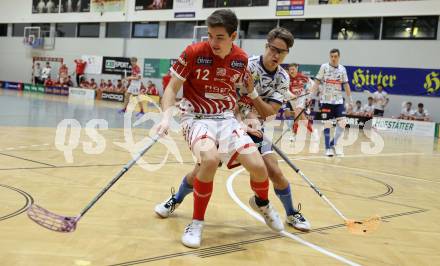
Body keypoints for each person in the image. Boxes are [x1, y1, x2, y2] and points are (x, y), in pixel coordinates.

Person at [155, 27, 311, 236]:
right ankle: (176, 199)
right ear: (267, 46)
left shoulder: (282, 78)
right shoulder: (246, 63)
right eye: (273, 49)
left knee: (273, 170)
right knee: (202, 168)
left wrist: (253, 95)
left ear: (286, 54)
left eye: (281, 52)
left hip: (257, 127)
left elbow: (269, 112)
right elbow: (226, 95)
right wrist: (241, 118)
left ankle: (290, 213)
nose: (276, 55)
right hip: (227, 120)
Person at [309, 48, 352, 157]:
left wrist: (349, 99)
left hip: (338, 101)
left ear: (339, 57)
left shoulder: (343, 69)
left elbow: (346, 85)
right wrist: (310, 96)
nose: (333, 59)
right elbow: (317, 82)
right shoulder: (324, 67)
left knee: (342, 123)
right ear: (330, 57)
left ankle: (333, 143)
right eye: (331, 56)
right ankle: (328, 148)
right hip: (326, 100)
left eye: (335, 56)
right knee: (327, 124)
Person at [285, 63, 314, 142]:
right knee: (303, 118)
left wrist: (309, 97)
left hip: (302, 99)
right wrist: (291, 95)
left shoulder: (304, 78)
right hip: (292, 100)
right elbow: (285, 90)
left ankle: (294, 134)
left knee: (297, 115)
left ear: (297, 69)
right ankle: (313, 133)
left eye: (293, 69)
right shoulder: (287, 79)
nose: (292, 71)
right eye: (290, 69)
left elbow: (313, 85)